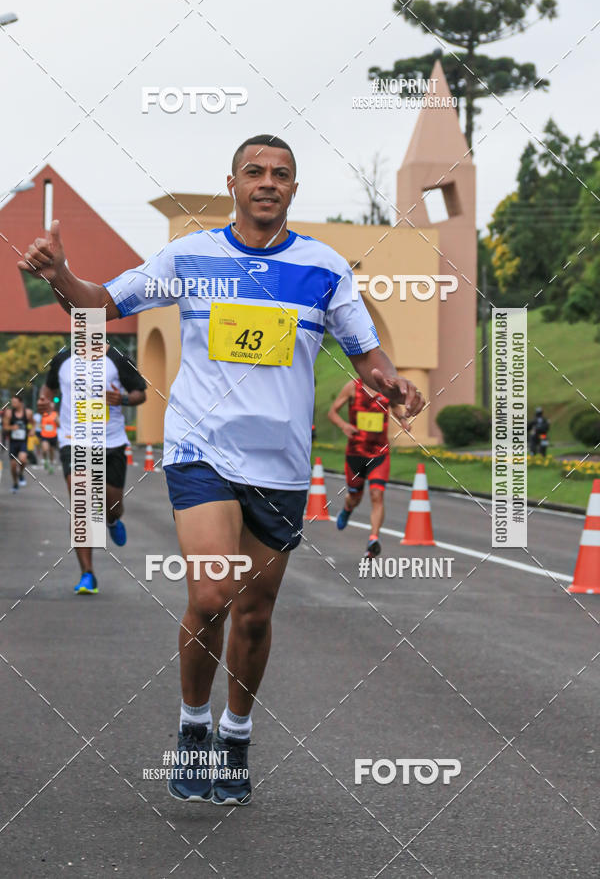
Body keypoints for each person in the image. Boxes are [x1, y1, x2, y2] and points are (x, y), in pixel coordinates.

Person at [18, 134, 425, 806]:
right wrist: (59, 274)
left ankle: (236, 734)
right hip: (200, 450)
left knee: (255, 615)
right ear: (232, 184)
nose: (268, 181)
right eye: (254, 171)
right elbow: (99, 302)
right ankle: (193, 728)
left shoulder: (324, 269)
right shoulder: (190, 257)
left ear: (294, 189)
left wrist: (393, 382)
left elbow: (367, 356)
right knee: (212, 595)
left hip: (281, 465)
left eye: (281, 174)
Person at [37, 345, 147, 593]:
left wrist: (123, 399)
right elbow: (48, 388)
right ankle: (87, 573)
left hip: (111, 442)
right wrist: (45, 401)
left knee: (113, 506)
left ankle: (112, 520)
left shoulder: (117, 358)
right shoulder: (62, 358)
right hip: (73, 440)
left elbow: (140, 393)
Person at [328, 376, 408, 557]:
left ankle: (373, 539)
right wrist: (344, 426)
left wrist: (402, 419)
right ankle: (347, 509)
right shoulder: (352, 387)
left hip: (379, 454)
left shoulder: (386, 389)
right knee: (354, 497)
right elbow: (332, 412)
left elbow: (395, 406)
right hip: (356, 454)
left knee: (377, 494)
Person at [3, 392, 33, 492]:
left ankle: (20, 473)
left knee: (23, 460)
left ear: (21, 403)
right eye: (12, 402)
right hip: (13, 442)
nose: (13, 404)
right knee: (13, 466)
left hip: (23, 441)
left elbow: (32, 423)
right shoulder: (9, 413)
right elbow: (5, 427)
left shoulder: (28, 413)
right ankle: (15, 483)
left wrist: (32, 430)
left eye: (15, 402)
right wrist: (12, 427)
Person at [40, 401, 59, 473]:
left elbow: (59, 425)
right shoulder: (44, 414)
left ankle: (51, 465)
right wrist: (43, 426)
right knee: (45, 450)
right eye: (50, 406)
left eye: (52, 406)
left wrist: (56, 421)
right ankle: (45, 460)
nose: (51, 407)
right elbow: (40, 424)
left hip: (53, 435)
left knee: (51, 451)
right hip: (44, 435)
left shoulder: (55, 414)